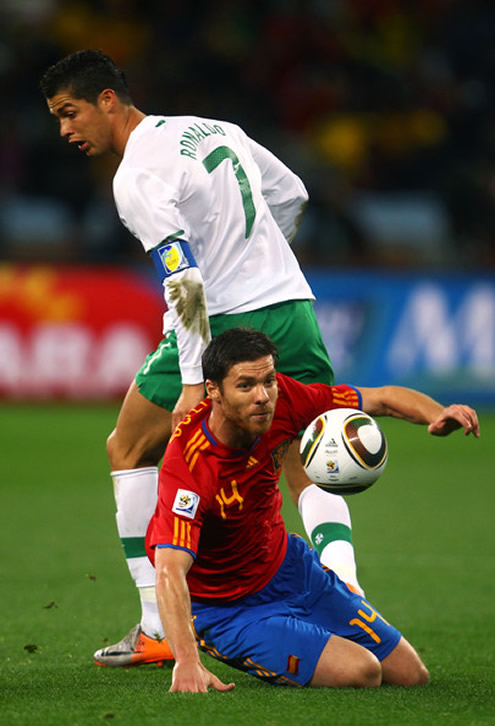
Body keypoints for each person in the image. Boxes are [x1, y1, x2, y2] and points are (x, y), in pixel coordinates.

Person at [41, 49, 364, 667]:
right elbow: (292, 195)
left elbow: (185, 284)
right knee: (306, 455)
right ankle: (350, 599)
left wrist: (194, 378)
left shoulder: (135, 176)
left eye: (70, 112)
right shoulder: (215, 130)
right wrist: (261, 259)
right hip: (291, 304)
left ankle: (155, 624)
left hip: (223, 321)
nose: (64, 129)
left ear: (108, 99)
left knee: (128, 447)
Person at [146, 327, 479, 692]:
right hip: (230, 611)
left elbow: (379, 399)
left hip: (292, 571)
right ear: (213, 392)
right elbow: (169, 571)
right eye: (245, 386)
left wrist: (438, 413)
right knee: (362, 671)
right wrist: (187, 660)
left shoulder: (284, 397)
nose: (263, 397)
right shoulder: (190, 465)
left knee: (411, 674)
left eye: (268, 380)